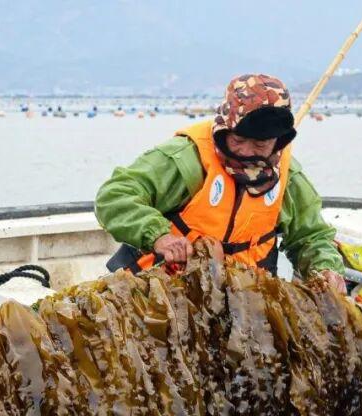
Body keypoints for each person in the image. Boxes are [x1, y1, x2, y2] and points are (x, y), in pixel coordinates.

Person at [96, 74, 346, 292]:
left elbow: (311, 236)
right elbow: (115, 196)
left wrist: (325, 269)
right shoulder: (187, 157)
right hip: (156, 288)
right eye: (239, 140)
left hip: (244, 302)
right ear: (225, 126)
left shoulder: (288, 177)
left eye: (260, 145)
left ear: (278, 142)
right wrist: (158, 235)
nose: (247, 153)